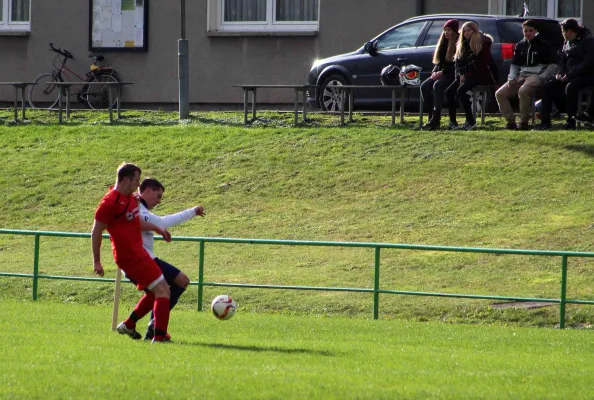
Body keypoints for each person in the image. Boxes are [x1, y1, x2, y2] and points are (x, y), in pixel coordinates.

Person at [91, 163, 173, 343]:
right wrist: (97, 261)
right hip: (130, 256)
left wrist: (157, 229)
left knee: (154, 293)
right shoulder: (109, 202)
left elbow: (135, 223)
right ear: (126, 180)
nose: (138, 185)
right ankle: (159, 338)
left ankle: (129, 325)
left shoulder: (130, 198)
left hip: (138, 253)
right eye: (136, 181)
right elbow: (96, 231)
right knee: (164, 290)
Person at [137, 178, 205, 340]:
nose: (159, 201)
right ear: (147, 191)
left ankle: (151, 327)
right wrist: (192, 212)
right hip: (142, 259)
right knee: (171, 286)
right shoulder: (137, 208)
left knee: (172, 286)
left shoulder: (141, 209)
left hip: (145, 258)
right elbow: (162, 222)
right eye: (158, 196)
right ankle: (146, 327)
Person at [495, 20, 557, 130]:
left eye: (530, 31)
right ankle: (510, 121)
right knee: (500, 93)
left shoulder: (544, 45)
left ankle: (524, 122)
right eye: (525, 31)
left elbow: (553, 65)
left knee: (523, 91)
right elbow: (515, 65)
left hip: (536, 75)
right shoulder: (520, 45)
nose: (527, 33)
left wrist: (543, 76)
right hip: (521, 74)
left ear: (536, 31)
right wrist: (512, 77)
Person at [535, 19, 594, 130]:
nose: (562, 34)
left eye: (563, 31)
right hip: (568, 74)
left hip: (585, 76)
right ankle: (545, 121)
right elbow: (563, 60)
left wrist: (570, 74)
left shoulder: (588, 41)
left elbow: (588, 63)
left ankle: (571, 121)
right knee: (548, 85)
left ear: (570, 31)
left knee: (570, 88)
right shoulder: (567, 41)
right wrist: (560, 73)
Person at [445, 21, 496, 131]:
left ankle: (471, 121)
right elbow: (459, 62)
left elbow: (482, 65)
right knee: (449, 92)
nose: (466, 33)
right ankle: (453, 122)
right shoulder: (462, 43)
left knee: (461, 91)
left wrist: (466, 75)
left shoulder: (482, 43)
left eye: (469, 30)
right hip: (466, 74)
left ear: (475, 31)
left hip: (479, 75)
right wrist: (461, 75)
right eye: (464, 31)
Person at [421, 19, 460, 130]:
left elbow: (456, 65)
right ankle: (431, 116)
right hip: (442, 72)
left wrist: (442, 72)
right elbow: (439, 62)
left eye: (449, 30)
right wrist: (435, 71)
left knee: (437, 85)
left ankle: (436, 117)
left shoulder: (458, 43)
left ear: (454, 31)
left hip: (452, 73)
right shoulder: (443, 42)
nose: (446, 33)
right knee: (424, 86)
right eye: (445, 30)